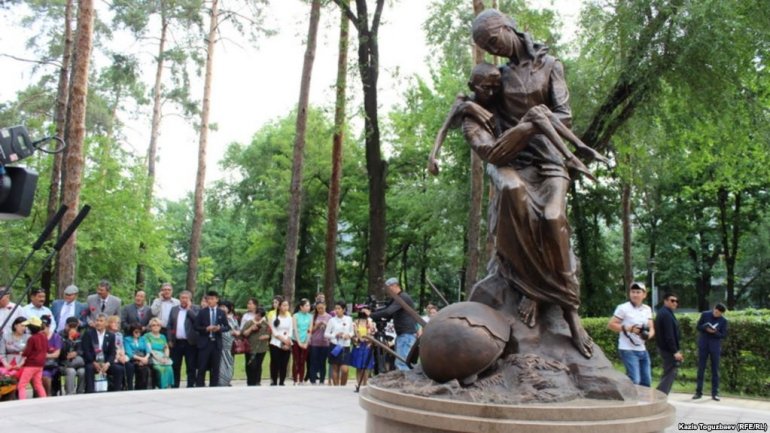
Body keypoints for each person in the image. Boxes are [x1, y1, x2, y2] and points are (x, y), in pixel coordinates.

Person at [435, 9, 604, 359]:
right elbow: (480, 102)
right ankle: (532, 290)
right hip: (517, 161)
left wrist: (536, 124)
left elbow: (564, 115)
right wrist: (467, 107)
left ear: (508, 27)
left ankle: (570, 312)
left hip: (551, 159)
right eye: (486, 46)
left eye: (493, 40)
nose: (493, 49)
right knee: (516, 202)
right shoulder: (500, 75)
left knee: (553, 219)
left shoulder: (550, 65)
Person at [363, 278, 417, 370]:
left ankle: (405, 384)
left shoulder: (402, 297)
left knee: (401, 363)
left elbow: (388, 312)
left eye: (388, 289)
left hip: (406, 335)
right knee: (400, 362)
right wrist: (375, 312)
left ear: (394, 286)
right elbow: (388, 312)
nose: (387, 292)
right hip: (402, 335)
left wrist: (371, 315)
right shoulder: (396, 299)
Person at [608, 282, 655, 387]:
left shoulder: (647, 309)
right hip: (627, 348)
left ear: (644, 294)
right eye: (633, 292)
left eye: (638, 292)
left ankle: (644, 403)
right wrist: (630, 329)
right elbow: (611, 325)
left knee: (646, 381)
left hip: (642, 349)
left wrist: (648, 335)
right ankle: (631, 401)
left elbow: (651, 327)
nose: (635, 294)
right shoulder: (623, 308)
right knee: (635, 380)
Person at [194, 290, 229, 387]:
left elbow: (227, 327)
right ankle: (200, 385)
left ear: (217, 300)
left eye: (212, 299)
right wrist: (206, 328)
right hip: (205, 343)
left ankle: (214, 386)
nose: (210, 301)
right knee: (202, 366)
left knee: (215, 367)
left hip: (216, 343)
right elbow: (196, 326)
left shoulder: (221, 312)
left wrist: (219, 328)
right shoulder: (202, 312)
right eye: (208, 299)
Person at [82, 313, 125, 393]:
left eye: (101, 321)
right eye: (97, 320)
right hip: (93, 362)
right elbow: (86, 351)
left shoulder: (111, 335)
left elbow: (112, 353)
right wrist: (94, 362)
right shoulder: (89, 334)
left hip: (105, 362)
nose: (98, 323)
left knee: (118, 369)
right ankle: (90, 392)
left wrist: (108, 363)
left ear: (106, 323)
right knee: (89, 368)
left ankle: (117, 393)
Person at [694, 303, 728, 401]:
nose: (716, 314)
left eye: (719, 313)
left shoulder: (723, 321)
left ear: (722, 313)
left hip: (715, 346)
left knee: (715, 370)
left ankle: (715, 393)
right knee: (701, 368)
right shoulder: (705, 314)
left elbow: (723, 335)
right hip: (703, 344)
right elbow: (698, 327)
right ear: (714, 309)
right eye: (715, 311)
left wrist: (715, 332)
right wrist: (705, 327)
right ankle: (698, 392)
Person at [166, 290, 198, 388]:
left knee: (191, 366)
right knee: (175, 366)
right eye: (182, 298)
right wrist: (169, 340)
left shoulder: (196, 309)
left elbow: (197, 321)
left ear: (190, 299)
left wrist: (189, 310)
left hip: (190, 343)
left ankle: (190, 386)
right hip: (176, 343)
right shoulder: (174, 309)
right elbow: (169, 325)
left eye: (186, 298)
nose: (184, 300)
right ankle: (175, 386)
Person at [655, 293, 683, 395]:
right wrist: (675, 351)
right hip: (668, 350)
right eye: (672, 300)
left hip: (666, 349)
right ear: (665, 301)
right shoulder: (666, 314)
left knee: (668, 373)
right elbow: (669, 335)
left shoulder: (666, 313)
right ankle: (660, 395)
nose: (675, 303)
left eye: (676, 301)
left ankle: (660, 394)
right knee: (669, 374)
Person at [16, 316, 48, 399]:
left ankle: (23, 402)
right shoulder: (44, 337)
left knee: (21, 385)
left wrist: (22, 353)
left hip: (31, 365)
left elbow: (27, 352)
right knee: (38, 384)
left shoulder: (32, 338)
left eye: (28, 326)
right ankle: (45, 400)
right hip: (40, 365)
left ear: (30, 328)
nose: (26, 328)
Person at [325, 300, 352, 386]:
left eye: (339, 308)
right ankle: (336, 387)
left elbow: (352, 332)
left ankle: (343, 386)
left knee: (345, 369)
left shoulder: (349, 319)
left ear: (344, 310)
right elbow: (326, 334)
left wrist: (349, 335)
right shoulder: (332, 320)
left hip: (345, 346)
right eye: (336, 308)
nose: (337, 310)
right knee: (335, 367)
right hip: (335, 345)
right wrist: (335, 335)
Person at [349, 306, 376, 392]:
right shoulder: (355, 322)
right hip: (359, 345)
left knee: (366, 366)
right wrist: (357, 338)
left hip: (367, 345)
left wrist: (369, 340)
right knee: (358, 366)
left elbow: (373, 332)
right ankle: (358, 384)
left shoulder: (371, 322)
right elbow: (352, 333)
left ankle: (365, 384)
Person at [241, 307, 269, 386]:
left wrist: (266, 337)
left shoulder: (265, 324)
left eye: (260, 316)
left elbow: (269, 334)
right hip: (250, 348)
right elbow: (243, 334)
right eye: (257, 314)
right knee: (251, 365)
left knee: (258, 365)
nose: (258, 317)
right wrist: (251, 329)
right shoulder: (249, 323)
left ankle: (257, 381)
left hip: (262, 348)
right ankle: (250, 382)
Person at [268, 298, 293, 386]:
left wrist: (288, 340)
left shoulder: (289, 317)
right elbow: (274, 332)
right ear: (279, 306)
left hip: (287, 342)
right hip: (275, 343)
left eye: (287, 305)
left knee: (284, 363)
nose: (286, 307)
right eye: (284, 305)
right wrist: (283, 340)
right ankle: (274, 381)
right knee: (275, 362)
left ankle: (282, 381)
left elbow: (290, 329)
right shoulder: (274, 317)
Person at [58, 317, 85, 395]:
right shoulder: (60, 335)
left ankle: (80, 393)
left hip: (77, 361)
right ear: (66, 325)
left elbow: (83, 349)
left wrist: (76, 353)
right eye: (70, 326)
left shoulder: (80, 335)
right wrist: (69, 339)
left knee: (82, 371)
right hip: (64, 361)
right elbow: (61, 352)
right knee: (71, 371)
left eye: (75, 326)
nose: (72, 328)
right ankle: (70, 394)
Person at [145, 317, 174, 389]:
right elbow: (149, 349)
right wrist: (159, 359)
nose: (156, 327)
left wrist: (166, 357)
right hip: (153, 357)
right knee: (160, 369)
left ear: (160, 326)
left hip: (163, 356)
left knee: (169, 368)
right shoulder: (147, 336)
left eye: (158, 325)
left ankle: (168, 386)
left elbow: (166, 348)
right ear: (150, 327)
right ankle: (161, 387)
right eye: (153, 325)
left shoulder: (163, 337)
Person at [308, 300, 331, 385]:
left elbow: (331, 330)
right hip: (314, 343)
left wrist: (325, 325)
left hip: (325, 343)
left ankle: (322, 379)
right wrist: (317, 325)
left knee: (322, 362)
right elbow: (310, 330)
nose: (320, 310)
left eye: (322, 308)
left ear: (325, 306)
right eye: (318, 308)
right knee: (313, 361)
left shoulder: (329, 317)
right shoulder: (313, 316)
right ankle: (313, 379)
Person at [217, 300, 240, 386]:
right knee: (220, 364)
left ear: (229, 308)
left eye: (224, 307)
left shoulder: (233, 318)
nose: (222, 308)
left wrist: (236, 332)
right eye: (221, 306)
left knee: (229, 363)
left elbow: (238, 330)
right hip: (220, 345)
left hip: (230, 345)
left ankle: (227, 380)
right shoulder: (217, 318)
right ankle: (220, 382)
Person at [107, 315, 131, 390]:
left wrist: (123, 356)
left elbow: (121, 347)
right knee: (118, 368)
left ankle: (129, 388)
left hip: (120, 357)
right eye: (115, 322)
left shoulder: (119, 335)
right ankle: (117, 389)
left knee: (130, 366)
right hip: (112, 358)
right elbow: (110, 349)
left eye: (118, 323)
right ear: (109, 323)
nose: (117, 324)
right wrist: (118, 357)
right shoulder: (106, 334)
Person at [40, 315, 62, 396]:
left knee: (45, 375)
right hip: (39, 364)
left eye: (44, 328)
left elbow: (56, 354)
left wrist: (44, 355)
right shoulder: (38, 337)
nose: (42, 331)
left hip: (51, 365)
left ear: (48, 326)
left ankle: (48, 394)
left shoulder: (56, 337)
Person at [123, 323, 150, 390]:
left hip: (143, 358)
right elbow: (129, 353)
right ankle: (130, 388)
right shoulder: (127, 339)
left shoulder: (143, 339)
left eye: (139, 332)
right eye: (136, 332)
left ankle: (141, 389)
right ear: (132, 331)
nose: (138, 333)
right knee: (131, 367)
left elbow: (148, 350)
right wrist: (141, 359)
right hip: (132, 359)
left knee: (144, 369)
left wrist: (145, 358)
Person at [292, 298, 312, 385]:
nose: (308, 307)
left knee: (302, 360)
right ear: (301, 307)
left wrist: (306, 342)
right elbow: (295, 329)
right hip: (296, 340)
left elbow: (309, 330)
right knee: (296, 360)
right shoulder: (295, 316)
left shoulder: (310, 316)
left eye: (309, 305)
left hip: (305, 341)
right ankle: (295, 379)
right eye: (306, 305)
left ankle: (301, 379)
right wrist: (299, 342)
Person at [240, 298, 259, 378]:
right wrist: (250, 328)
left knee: (258, 362)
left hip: (258, 342)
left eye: (251, 304)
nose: (249, 305)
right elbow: (241, 329)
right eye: (248, 304)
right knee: (249, 362)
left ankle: (257, 380)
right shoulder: (245, 316)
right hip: (248, 342)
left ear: (255, 305)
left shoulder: (260, 315)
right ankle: (250, 380)